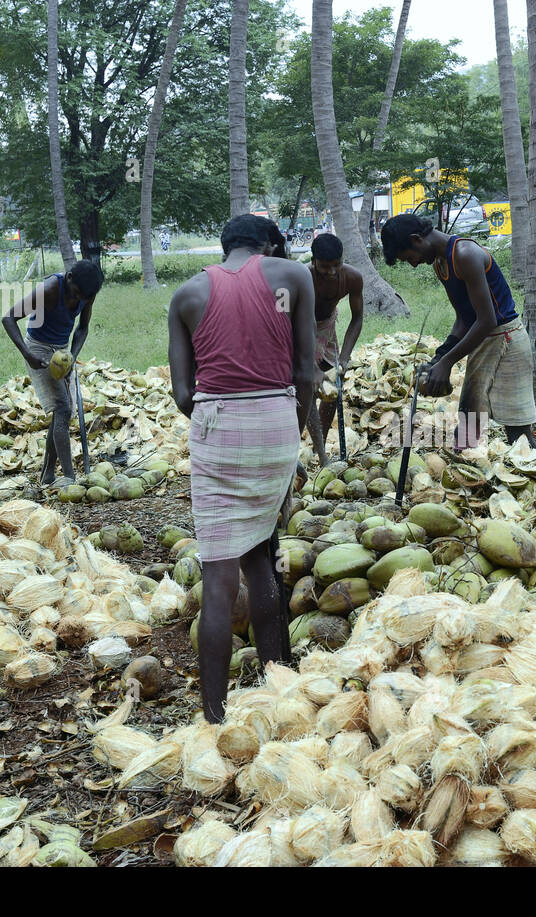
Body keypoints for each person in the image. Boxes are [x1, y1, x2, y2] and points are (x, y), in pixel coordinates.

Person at [167, 214, 316, 723]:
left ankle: (214, 715)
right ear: (270, 244)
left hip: (217, 423)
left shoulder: (187, 294)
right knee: (262, 556)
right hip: (277, 421)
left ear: (223, 244)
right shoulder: (292, 277)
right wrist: (286, 427)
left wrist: (220, 421)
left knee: (220, 576)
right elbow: (305, 371)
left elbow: (183, 393)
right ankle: (279, 688)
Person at [381, 214, 536, 450]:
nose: (413, 264)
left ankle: (534, 473)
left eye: (410, 257)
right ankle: (471, 477)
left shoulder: (464, 254)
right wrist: (440, 356)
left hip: (507, 341)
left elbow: (487, 320)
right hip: (483, 341)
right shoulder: (440, 263)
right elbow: (464, 319)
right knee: (467, 427)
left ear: (416, 239)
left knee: (517, 433)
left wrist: (448, 362)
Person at [1, 259, 103, 487]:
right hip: (38, 348)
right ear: (69, 278)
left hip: (62, 351)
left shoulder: (87, 292)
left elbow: (82, 328)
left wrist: (72, 358)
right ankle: (69, 477)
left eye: (83, 297)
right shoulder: (50, 289)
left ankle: (48, 474)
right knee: (63, 409)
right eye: (76, 294)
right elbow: (8, 318)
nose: (78, 300)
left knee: (62, 413)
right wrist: (28, 354)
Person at [304, 233, 364, 466]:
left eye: (336, 265)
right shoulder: (302, 277)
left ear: (342, 259)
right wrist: (308, 363)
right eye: (324, 267)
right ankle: (318, 450)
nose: (330, 271)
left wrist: (344, 359)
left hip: (327, 328)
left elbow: (357, 318)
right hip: (299, 328)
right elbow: (296, 317)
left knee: (332, 388)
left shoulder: (352, 277)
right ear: (313, 261)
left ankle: (320, 442)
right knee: (306, 384)